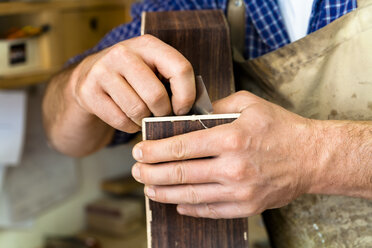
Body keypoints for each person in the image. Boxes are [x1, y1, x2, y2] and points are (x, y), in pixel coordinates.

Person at [43, 0, 372, 246]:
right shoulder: (197, 4)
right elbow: (66, 139)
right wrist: (79, 85)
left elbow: (310, 157)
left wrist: (313, 157)